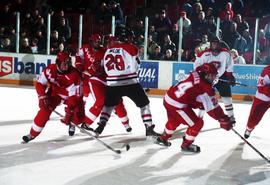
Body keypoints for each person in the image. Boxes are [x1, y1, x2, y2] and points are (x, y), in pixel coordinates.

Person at [93, 30, 160, 138]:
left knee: (109, 106)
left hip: (112, 83)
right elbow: (135, 67)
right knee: (144, 105)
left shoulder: (108, 50)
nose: (132, 39)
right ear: (126, 38)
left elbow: (104, 67)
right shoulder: (131, 47)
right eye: (130, 37)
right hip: (130, 82)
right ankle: (148, 128)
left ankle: (100, 126)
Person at [155, 63, 235, 152]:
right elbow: (213, 108)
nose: (213, 78)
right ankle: (186, 145)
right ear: (205, 75)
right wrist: (223, 119)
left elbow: (194, 95)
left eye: (214, 76)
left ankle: (163, 138)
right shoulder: (205, 88)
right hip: (177, 105)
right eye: (211, 76)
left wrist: (199, 103)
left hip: (168, 98)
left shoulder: (196, 73)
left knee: (174, 120)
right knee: (197, 124)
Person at [22, 52, 85, 143]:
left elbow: (75, 97)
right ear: (57, 63)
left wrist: (69, 112)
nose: (66, 66)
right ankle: (32, 133)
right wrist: (42, 96)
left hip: (72, 97)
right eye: (63, 63)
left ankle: (72, 123)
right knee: (45, 109)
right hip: (55, 94)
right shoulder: (50, 69)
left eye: (68, 63)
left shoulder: (75, 75)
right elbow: (40, 83)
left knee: (79, 118)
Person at [75, 34, 131, 132]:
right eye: (95, 41)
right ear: (91, 41)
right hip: (94, 79)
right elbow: (78, 58)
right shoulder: (85, 48)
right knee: (100, 100)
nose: (98, 43)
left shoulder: (106, 51)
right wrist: (80, 67)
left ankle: (126, 124)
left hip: (108, 81)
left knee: (118, 102)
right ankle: (85, 122)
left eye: (99, 42)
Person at [194, 36, 236, 121]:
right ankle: (199, 117)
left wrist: (230, 77)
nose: (215, 45)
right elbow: (197, 66)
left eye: (217, 43)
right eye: (213, 43)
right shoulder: (204, 54)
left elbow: (229, 66)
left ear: (219, 44)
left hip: (221, 76)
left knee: (227, 98)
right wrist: (203, 74)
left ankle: (231, 117)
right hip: (207, 79)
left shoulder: (226, 54)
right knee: (204, 98)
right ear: (210, 44)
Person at [244, 65, 270, 139]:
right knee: (254, 118)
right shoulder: (267, 70)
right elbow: (261, 86)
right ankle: (249, 128)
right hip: (263, 98)